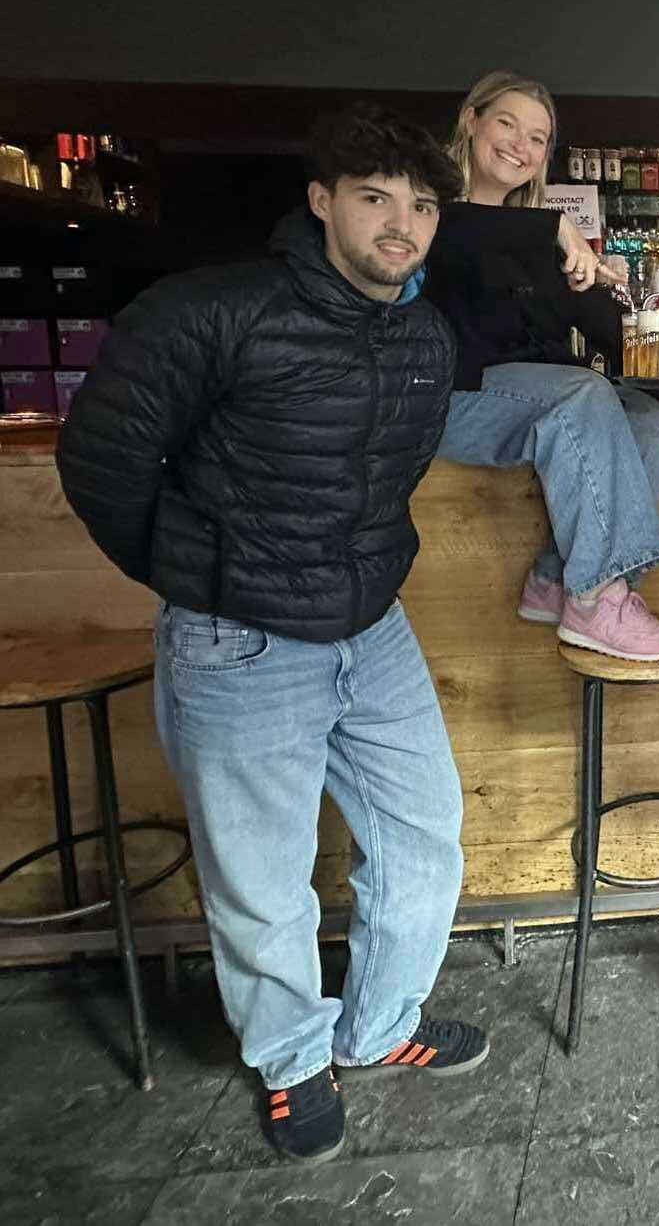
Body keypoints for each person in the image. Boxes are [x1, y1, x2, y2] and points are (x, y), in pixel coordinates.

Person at [56, 105, 488, 1166]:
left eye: (421, 204)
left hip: (371, 630)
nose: (400, 223)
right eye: (377, 196)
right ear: (322, 200)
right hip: (237, 641)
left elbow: (388, 478)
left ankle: (379, 1023)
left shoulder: (424, 335)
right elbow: (102, 460)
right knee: (261, 877)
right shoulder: (214, 309)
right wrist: (198, 577)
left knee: (426, 833)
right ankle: (293, 1064)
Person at [427, 71, 659, 661]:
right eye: (507, 124)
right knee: (582, 394)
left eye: (538, 138)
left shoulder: (539, 239)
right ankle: (596, 598)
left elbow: (605, 326)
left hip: (528, 402)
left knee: (643, 415)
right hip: (450, 400)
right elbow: (455, 235)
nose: (521, 145)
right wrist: (553, 224)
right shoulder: (426, 208)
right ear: (472, 121)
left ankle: (556, 581)